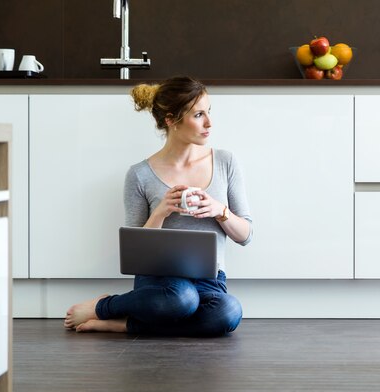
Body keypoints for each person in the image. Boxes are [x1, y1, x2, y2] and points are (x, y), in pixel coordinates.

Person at [63, 76, 252, 337]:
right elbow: (134, 252)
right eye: (198, 115)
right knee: (182, 299)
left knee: (227, 312)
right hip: (160, 282)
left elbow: (245, 235)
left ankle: (122, 321)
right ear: (171, 120)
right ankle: (107, 306)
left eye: (209, 112)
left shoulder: (225, 162)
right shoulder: (140, 174)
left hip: (210, 281)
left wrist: (220, 211)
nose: (209, 123)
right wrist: (161, 211)